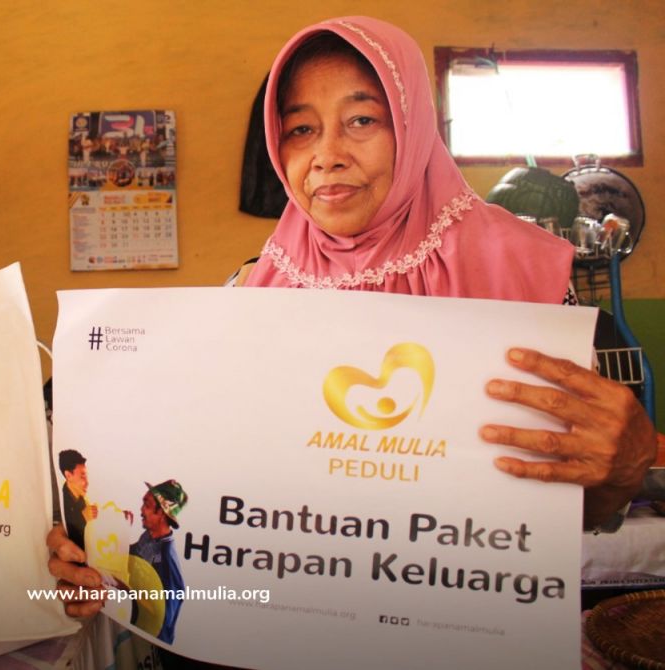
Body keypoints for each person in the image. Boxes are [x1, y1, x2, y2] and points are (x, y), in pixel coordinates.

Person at [47, 13, 658, 660]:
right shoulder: (246, 295)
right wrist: (94, 549)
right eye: (300, 129)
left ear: (413, 128)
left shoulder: (525, 275)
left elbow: (577, 512)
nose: (327, 154)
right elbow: (204, 501)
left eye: (362, 120)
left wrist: (623, 469)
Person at [127, 480, 188, 645]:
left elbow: (164, 618)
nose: (141, 510)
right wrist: (121, 529)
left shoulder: (167, 557)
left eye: (146, 505)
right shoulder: (148, 537)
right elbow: (130, 557)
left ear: (161, 513)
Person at [58, 449, 97, 549]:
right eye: (82, 476)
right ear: (68, 475)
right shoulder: (62, 504)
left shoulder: (81, 498)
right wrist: (83, 519)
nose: (87, 483)